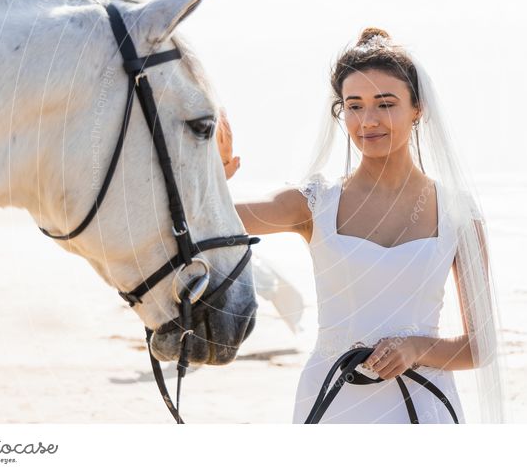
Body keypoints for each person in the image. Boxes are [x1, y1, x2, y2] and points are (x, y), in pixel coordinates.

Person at [217, 28, 506, 423]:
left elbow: (481, 346)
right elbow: (206, 222)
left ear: (417, 108)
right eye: (354, 106)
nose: (367, 121)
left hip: (423, 408)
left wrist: (416, 348)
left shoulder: (458, 213)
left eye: (385, 104)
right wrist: (213, 176)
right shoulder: (313, 204)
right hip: (335, 404)